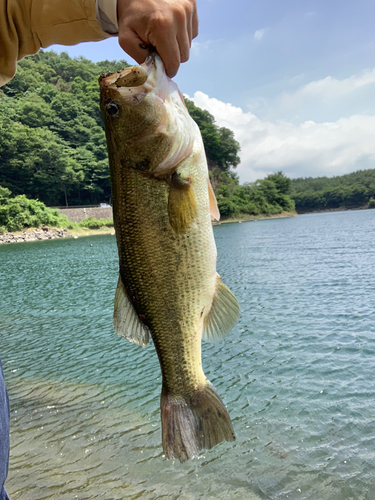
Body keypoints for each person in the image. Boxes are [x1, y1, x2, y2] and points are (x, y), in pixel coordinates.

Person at [0, 0, 198, 497]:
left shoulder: (170, 171)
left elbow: (15, 16)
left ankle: (183, 390)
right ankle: (185, 385)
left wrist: (114, 4)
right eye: (115, 111)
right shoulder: (171, 171)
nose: (118, 98)